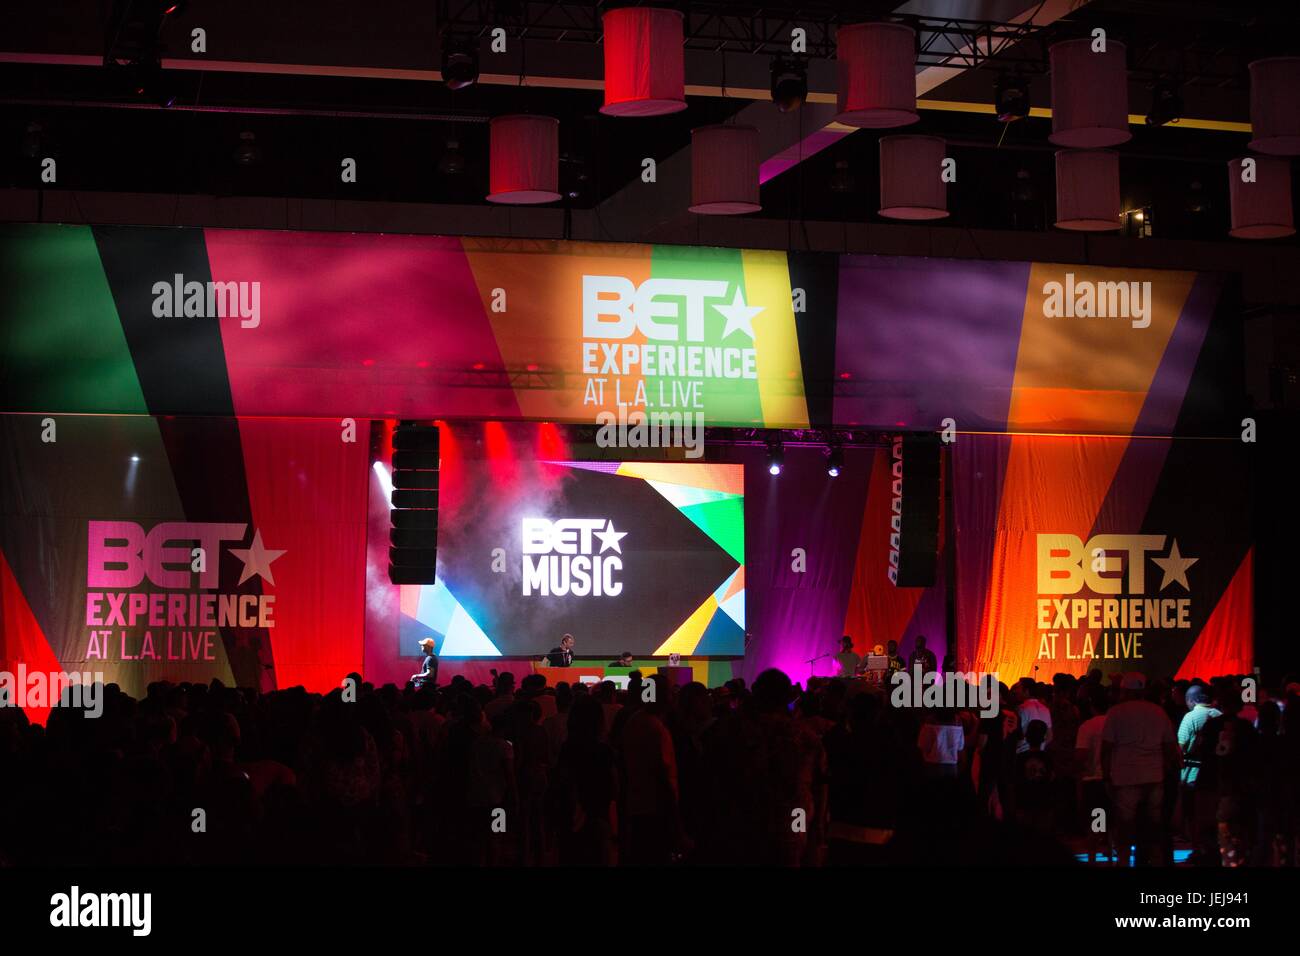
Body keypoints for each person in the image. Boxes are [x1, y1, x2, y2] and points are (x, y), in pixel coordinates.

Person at [1101, 674, 1180, 867]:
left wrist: (1106, 775)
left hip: (1125, 776)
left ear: (1124, 691)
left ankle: (1124, 861)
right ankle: (1156, 860)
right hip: (1154, 775)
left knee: (1125, 825)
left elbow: (1107, 748)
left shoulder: (1116, 713)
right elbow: (1170, 746)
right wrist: (1168, 767)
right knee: (1154, 824)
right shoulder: (1158, 712)